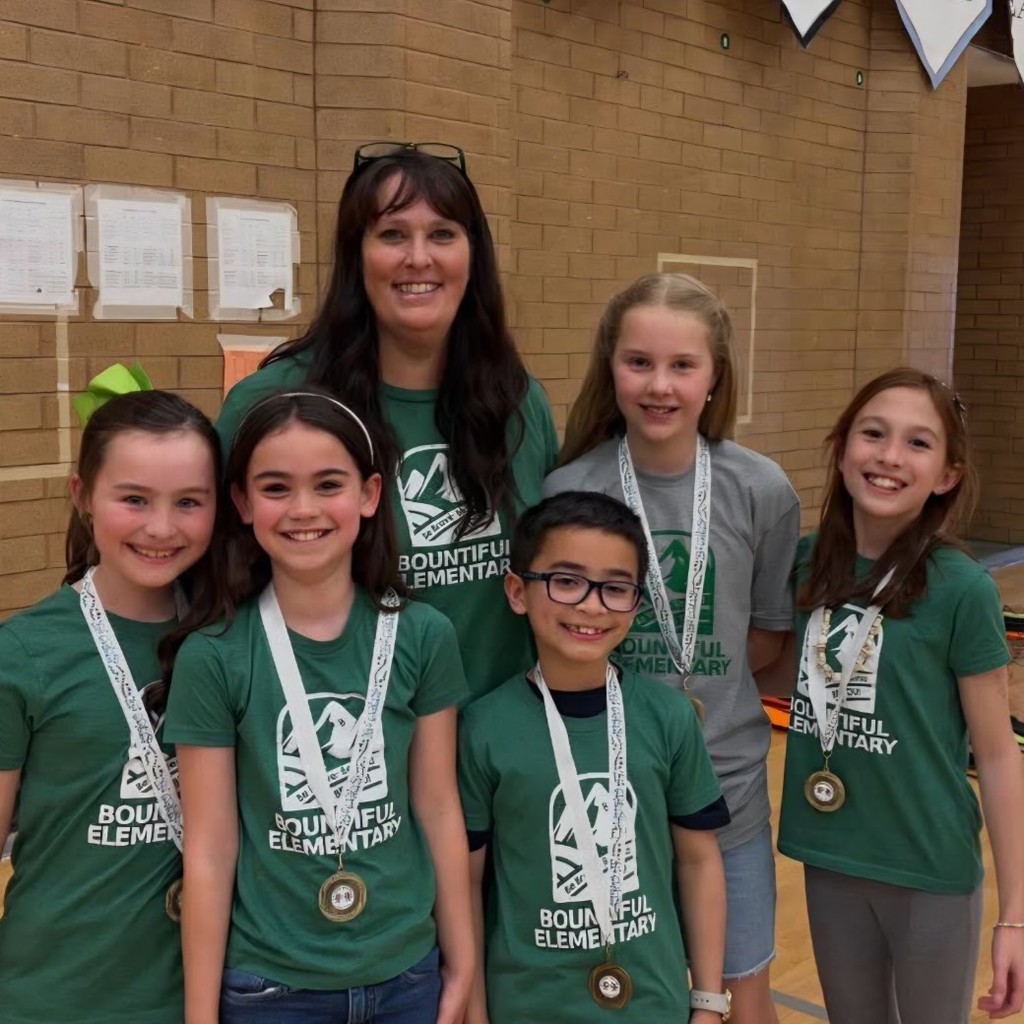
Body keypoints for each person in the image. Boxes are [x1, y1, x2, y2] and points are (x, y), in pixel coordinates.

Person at [165, 390, 473, 1024]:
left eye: (328, 484)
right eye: (276, 488)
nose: (303, 509)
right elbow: (211, 846)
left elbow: (439, 806)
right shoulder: (215, 656)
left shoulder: (422, 635)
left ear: (368, 495)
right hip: (272, 987)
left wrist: (461, 959)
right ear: (244, 505)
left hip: (407, 972)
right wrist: (200, 1015)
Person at [543, 272, 799, 1022]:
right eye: (639, 362)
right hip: (603, 793)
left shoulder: (762, 489)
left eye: (682, 365)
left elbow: (767, 634)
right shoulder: (569, 487)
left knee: (738, 993)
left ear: (716, 375)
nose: (660, 385)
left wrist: (685, 684)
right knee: (617, 996)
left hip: (728, 792)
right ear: (609, 368)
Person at [215, 143, 559, 699]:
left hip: (493, 758)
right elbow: (210, 580)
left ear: (474, 256)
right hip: (344, 753)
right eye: (393, 234)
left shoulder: (518, 402)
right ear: (357, 256)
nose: (418, 258)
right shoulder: (276, 400)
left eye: (443, 234)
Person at [777, 368, 1024, 1024]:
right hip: (831, 854)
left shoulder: (962, 589)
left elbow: (998, 757)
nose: (889, 456)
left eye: (918, 443)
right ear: (841, 447)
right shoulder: (802, 565)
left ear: (947, 474)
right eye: (874, 434)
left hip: (928, 867)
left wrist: (1017, 918)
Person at [459, 491, 731, 1024]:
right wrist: (476, 1012)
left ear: (637, 601)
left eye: (614, 588)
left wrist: (708, 1001)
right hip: (527, 1007)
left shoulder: (668, 717)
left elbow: (699, 862)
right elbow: (466, 881)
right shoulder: (483, 726)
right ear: (517, 591)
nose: (590, 605)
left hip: (653, 1005)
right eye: (565, 581)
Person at [0, 388, 220, 1024]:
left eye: (188, 502)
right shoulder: (25, 652)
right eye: (133, 499)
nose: (160, 527)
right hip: (54, 997)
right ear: (82, 497)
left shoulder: (230, 639)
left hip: (205, 998)